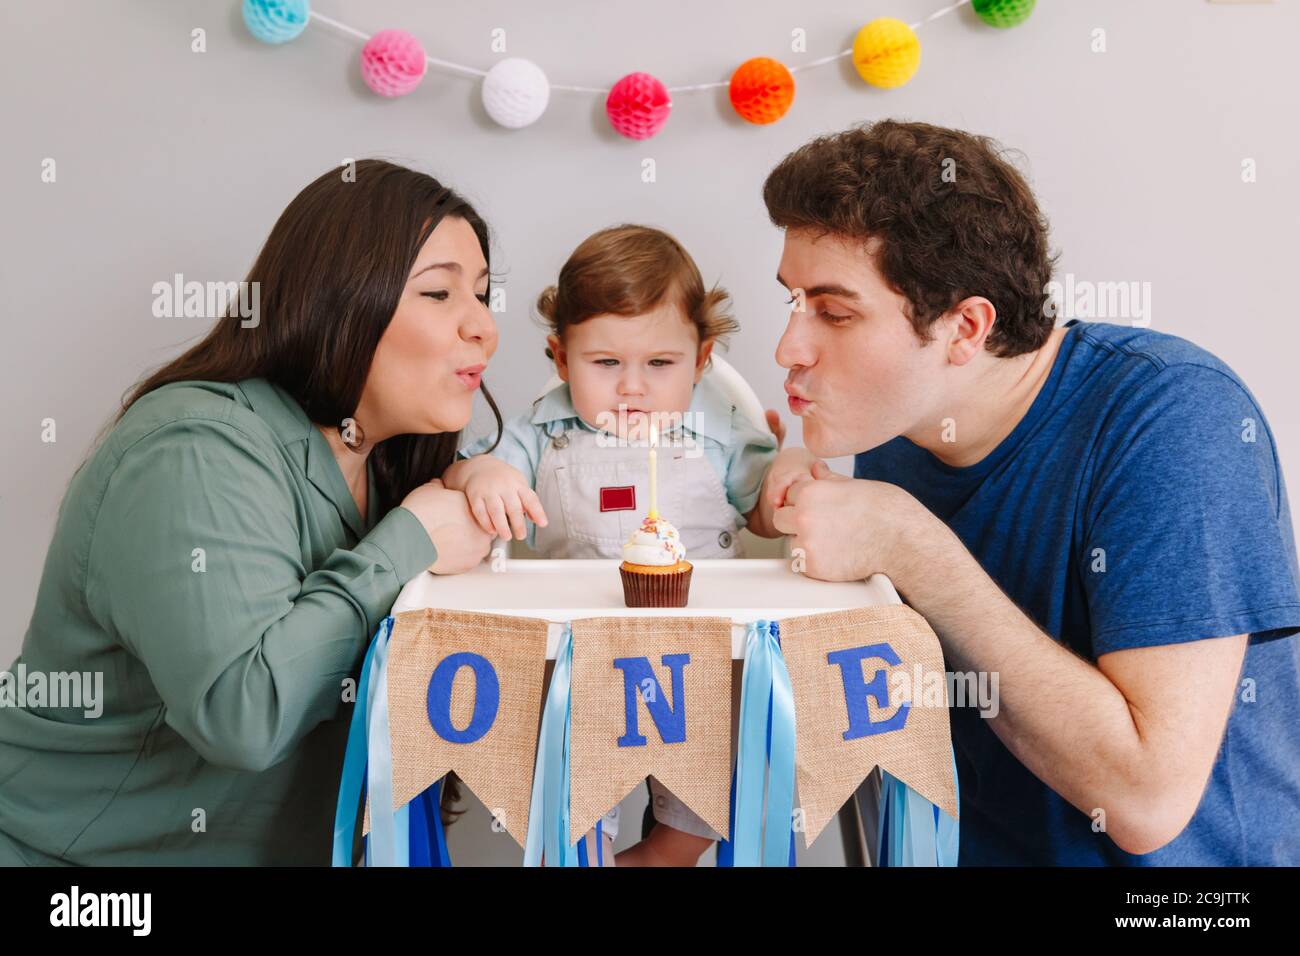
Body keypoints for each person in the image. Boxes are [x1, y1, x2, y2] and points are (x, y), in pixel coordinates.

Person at [752, 119, 1300, 865]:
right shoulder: (894, 429)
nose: (788, 349)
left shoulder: (1175, 415)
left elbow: (1145, 800)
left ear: (965, 328)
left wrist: (913, 549)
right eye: (793, 303)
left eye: (835, 312)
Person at [0, 160, 495, 864]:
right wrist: (406, 544)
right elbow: (243, 716)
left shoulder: (390, 470)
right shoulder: (194, 449)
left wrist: (480, 485)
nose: (482, 327)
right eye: (441, 292)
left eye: (482, 295)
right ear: (337, 301)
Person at [445, 224, 803, 865]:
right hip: (581, 657)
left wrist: (787, 487)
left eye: (659, 364)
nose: (632, 387)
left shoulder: (720, 427)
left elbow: (763, 510)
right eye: (605, 363)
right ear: (561, 358)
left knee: (706, 801)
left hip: (704, 658)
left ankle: (656, 856)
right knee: (574, 802)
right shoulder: (540, 429)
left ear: (700, 360)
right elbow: (468, 473)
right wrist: (483, 474)